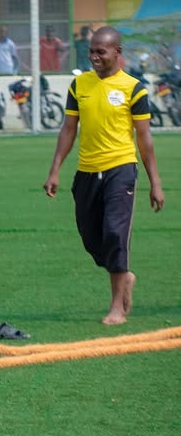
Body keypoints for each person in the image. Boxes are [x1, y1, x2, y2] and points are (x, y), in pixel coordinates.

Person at [43, 27, 165, 326]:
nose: (95, 57)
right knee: (90, 237)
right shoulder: (79, 85)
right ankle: (125, 276)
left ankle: (116, 308)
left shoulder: (133, 89)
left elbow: (144, 139)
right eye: (92, 51)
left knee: (114, 233)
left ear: (117, 53)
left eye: (101, 51)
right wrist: (55, 169)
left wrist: (155, 183)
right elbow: (69, 129)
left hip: (121, 170)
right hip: (86, 173)